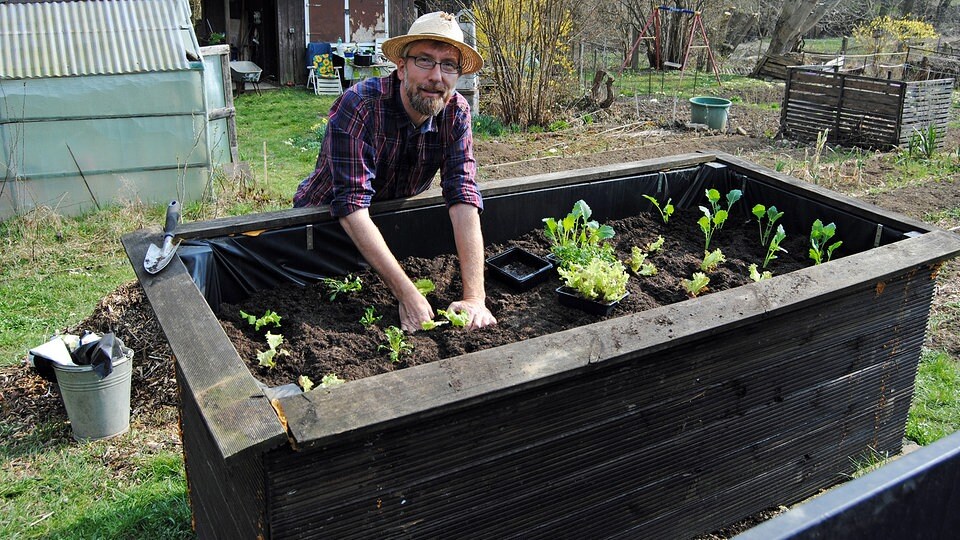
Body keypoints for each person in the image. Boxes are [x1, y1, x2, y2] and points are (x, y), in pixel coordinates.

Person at [293, 11, 497, 333]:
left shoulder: (456, 113)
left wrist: (475, 297)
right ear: (401, 67)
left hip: (385, 226)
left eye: (448, 65)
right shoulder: (360, 105)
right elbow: (352, 207)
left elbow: (463, 195)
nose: (437, 77)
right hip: (322, 228)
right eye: (425, 61)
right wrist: (407, 294)